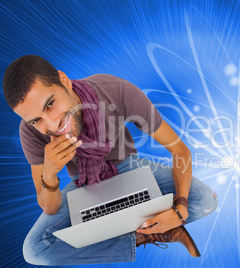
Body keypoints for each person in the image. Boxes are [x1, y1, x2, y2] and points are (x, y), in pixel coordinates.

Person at [2, 55, 218, 266]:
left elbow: (180, 151)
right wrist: (49, 174)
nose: (52, 124)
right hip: (83, 185)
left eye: (50, 104)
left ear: (64, 81)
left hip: (129, 167)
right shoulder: (30, 133)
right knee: (35, 249)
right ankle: (141, 235)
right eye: (36, 120)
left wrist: (180, 211)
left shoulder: (115, 90)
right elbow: (49, 207)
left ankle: (124, 224)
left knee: (205, 200)